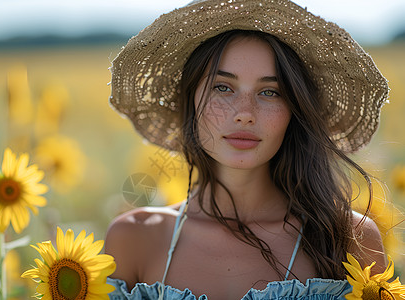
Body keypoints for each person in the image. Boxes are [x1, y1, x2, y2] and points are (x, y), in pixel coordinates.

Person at [105, 0, 390, 299]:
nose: (245, 113)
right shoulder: (135, 238)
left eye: (270, 92)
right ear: (190, 100)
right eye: (223, 87)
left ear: (295, 111)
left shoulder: (350, 239)